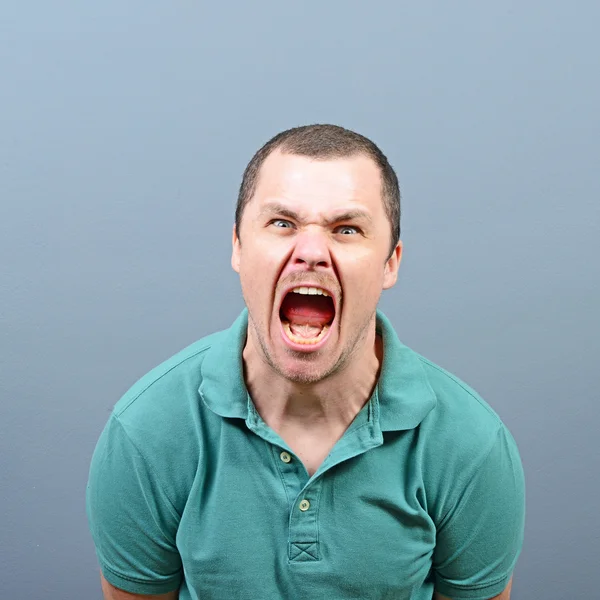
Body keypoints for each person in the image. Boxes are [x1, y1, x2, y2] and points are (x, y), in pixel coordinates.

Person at [86, 124, 525, 600]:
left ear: (390, 263)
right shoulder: (147, 431)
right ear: (237, 246)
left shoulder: (472, 446)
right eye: (282, 223)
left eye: (347, 229)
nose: (312, 252)